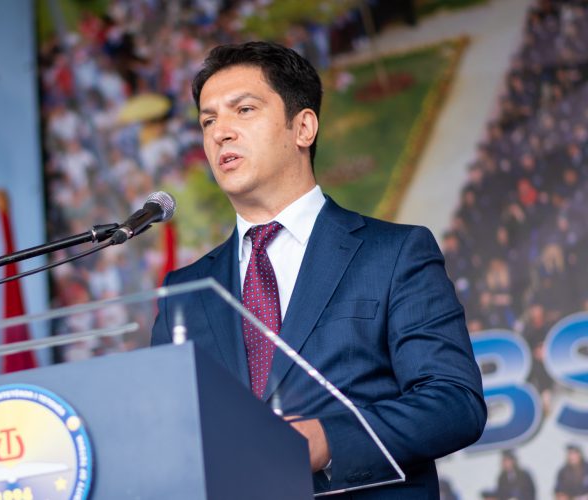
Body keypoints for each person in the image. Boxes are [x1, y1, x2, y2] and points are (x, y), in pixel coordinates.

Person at [151, 41, 486, 497]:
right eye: (208, 121)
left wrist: (328, 440)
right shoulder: (186, 292)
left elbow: (453, 403)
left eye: (243, 110)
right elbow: (167, 437)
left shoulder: (394, 253)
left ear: (303, 127)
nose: (220, 133)